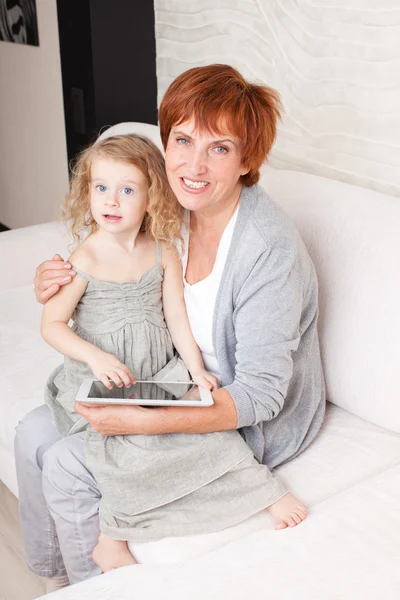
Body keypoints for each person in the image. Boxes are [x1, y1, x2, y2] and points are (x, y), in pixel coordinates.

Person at [15, 64, 325, 590]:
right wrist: (55, 278)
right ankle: (57, 577)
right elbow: (109, 234)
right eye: (182, 140)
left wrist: (143, 423)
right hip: (169, 376)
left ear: (248, 159)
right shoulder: (171, 207)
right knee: (33, 433)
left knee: (69, 462)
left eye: (220, 148)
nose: (194, 165)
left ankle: (100, 587)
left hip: (235, 407)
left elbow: (262, 396)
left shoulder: (267, 248)